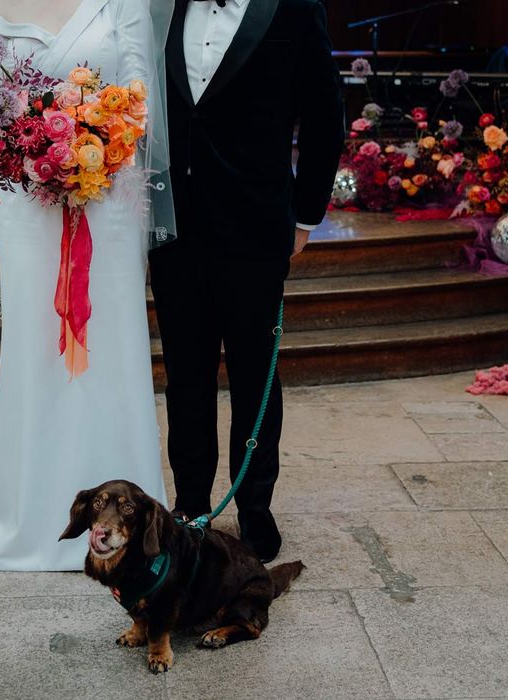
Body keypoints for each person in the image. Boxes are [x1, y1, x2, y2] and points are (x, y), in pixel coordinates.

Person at [0, 0, 176, 571]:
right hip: (27, 203)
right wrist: (34, 152)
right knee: (38, 346)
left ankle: (129, 513)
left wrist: (101, 141)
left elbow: (145, 102)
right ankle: (35, 511)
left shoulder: (125, 4)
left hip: (108, 194)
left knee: (109, 349)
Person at [150, 0, 344, 562]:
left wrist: (306, 215)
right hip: (175, 229)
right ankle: (189, 505)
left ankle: (254, 508)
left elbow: (325, 111)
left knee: (256, 372)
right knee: (185, 372)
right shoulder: (165, 9)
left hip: (257, 226)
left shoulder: (295, 7)